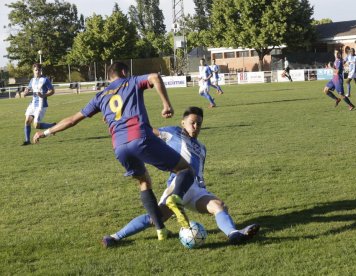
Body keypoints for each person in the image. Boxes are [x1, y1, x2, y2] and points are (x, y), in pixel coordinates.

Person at [33, 62, 196, 241]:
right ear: (124, 72)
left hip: (119, 147)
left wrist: (46, 132)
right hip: (140, 138)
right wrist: (166, 105)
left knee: (143, 182)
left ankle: (161, 230)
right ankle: (176, 198)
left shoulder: (100, 95)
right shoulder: (131, 82)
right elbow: (155, 77)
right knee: (185, 169)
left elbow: (72, 120)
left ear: (108, 76)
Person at [101, 107, 260, 248]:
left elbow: (199, 171)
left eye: (199, 123)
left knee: (219, 206)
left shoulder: (202, 148)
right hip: (178, 186)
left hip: (196, 189)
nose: (196, 127)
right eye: (192, 122)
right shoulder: (173, 133)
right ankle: (115, 237)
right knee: (154, 219)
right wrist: (120, 121)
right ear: (183, 123)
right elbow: (147, 131)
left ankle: (234, 234)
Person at [22, 63, 56, 146]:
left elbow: (52, 91)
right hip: (33, 103)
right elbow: (28, 89)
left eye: (39, 70)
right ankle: (27, 141)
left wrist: (44, 95)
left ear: (41, 70)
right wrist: (25, 92)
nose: (37, 71)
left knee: (36, 125)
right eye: (36, 70)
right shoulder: (32, 80)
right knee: (27, 121)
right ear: (33, 71)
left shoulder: (45, 80)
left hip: (41, 104)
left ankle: (53, 126)